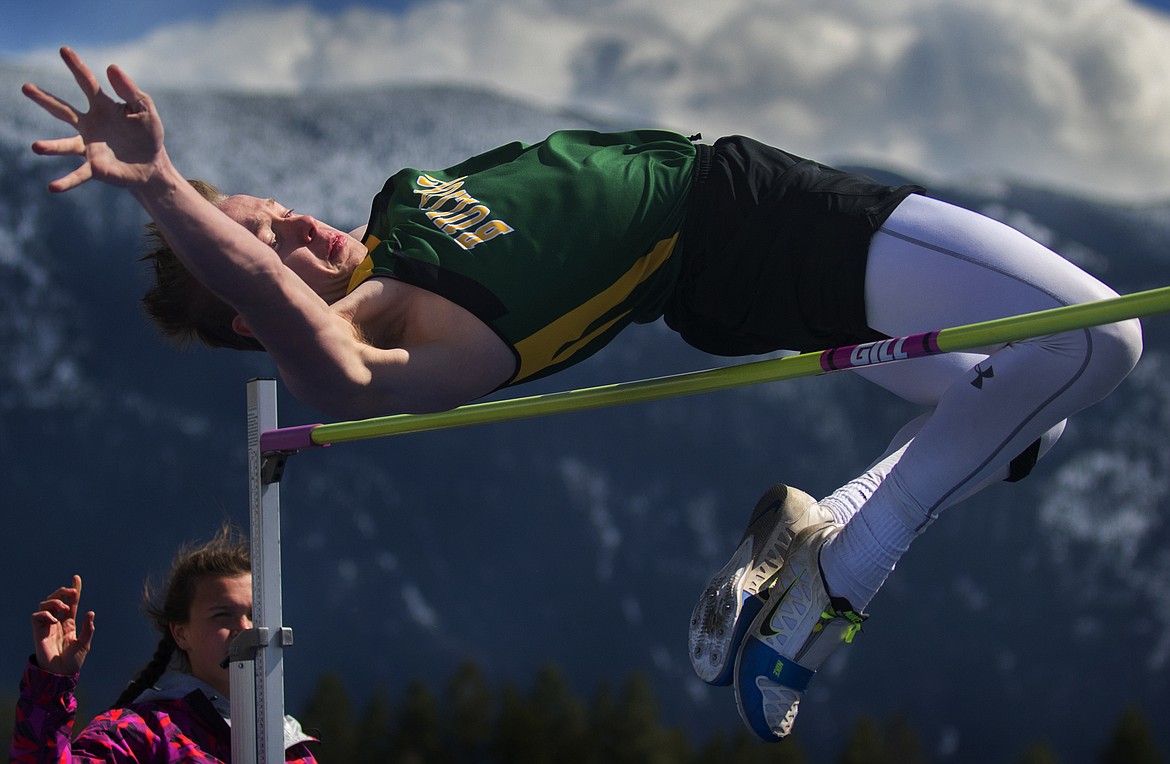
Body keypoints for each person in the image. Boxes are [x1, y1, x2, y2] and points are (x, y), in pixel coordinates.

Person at [23, 48, 1143, 741]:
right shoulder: (375, 337)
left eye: (272, 211)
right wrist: (169, 193)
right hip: (744, 226)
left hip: (730, 249)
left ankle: (823, 528)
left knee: (1012, 416)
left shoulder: (395, 218)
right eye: (273, 254)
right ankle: (836, 573)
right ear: (257, 307)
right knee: (1103, 342)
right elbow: (323, 356)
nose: (294, 230)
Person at [9, 524, 318, 762]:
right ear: (181, 633)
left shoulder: (292, 747)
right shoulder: (140, 733)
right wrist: (51, 687)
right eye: (222, 615)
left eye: (254, 615)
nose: (245, 628)